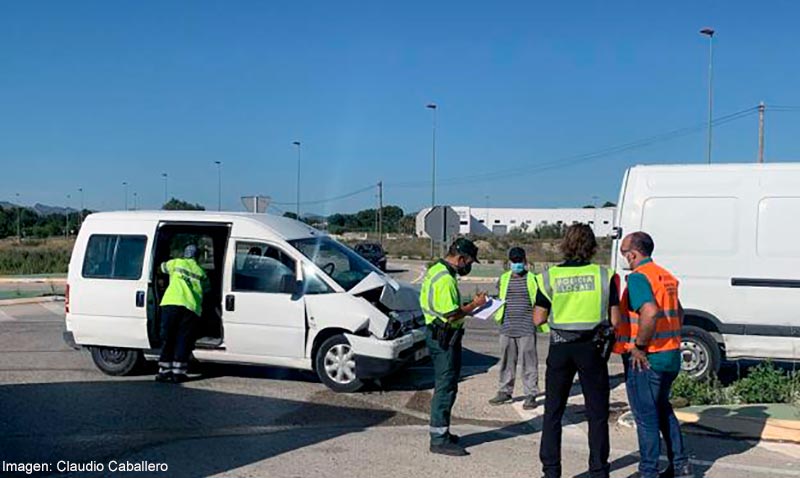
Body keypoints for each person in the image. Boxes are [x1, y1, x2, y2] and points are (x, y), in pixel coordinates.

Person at [533, 224, 620, 478]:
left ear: (565, 245)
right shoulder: (604, 275)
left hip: (560, 347)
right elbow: (615, 320)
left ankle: (551, 471)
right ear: (592, 246)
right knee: (597, 413)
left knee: (553, 412)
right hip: (592, 348)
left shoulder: (550, 277)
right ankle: (599, 470)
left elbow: (538, 318)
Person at [614, 232, 691, 478]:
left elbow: (650, 312)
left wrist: (639, 346)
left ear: (633, 253)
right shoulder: (665, 276)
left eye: (624, 252)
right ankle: (680, 466)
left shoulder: (638, 278)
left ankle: (648, 471)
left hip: (649, 358)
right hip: (670, 354)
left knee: (645, 418)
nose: (624, 257)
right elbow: (678, 312)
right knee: (662, 410)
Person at [419, 237, 487, 457]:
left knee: (447, 385)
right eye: (469, 262)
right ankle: (438, 439)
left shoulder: (437, 270)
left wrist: (469, 307)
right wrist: (474, 306)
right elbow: (451, 314)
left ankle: (443, 432)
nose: (469, 266)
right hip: (444, 338)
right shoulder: (445, 280)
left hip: (438, 334)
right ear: (461, 258)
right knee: (445, 387)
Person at [488, 247, 543, 410]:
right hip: (507, 327)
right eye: (514, 261)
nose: (517, 264)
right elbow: (499, 298)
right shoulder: (503, 279)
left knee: (529, 362)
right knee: (506, 362)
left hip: (526, 327)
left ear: (525, 261)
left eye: (519, 261)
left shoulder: (533, 279)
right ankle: (505, 391)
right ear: (509, 262)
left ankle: (531, 394)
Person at [156, 244, 210, 384]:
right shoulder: (201, 272)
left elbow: (160, 268)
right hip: (190, 308)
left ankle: (164, 372)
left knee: (168, 338)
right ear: (197, 257)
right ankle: (178, 374)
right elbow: (207, 289)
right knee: (182, 340)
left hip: (171, 303)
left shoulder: (176, 263)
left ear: (184, 254)